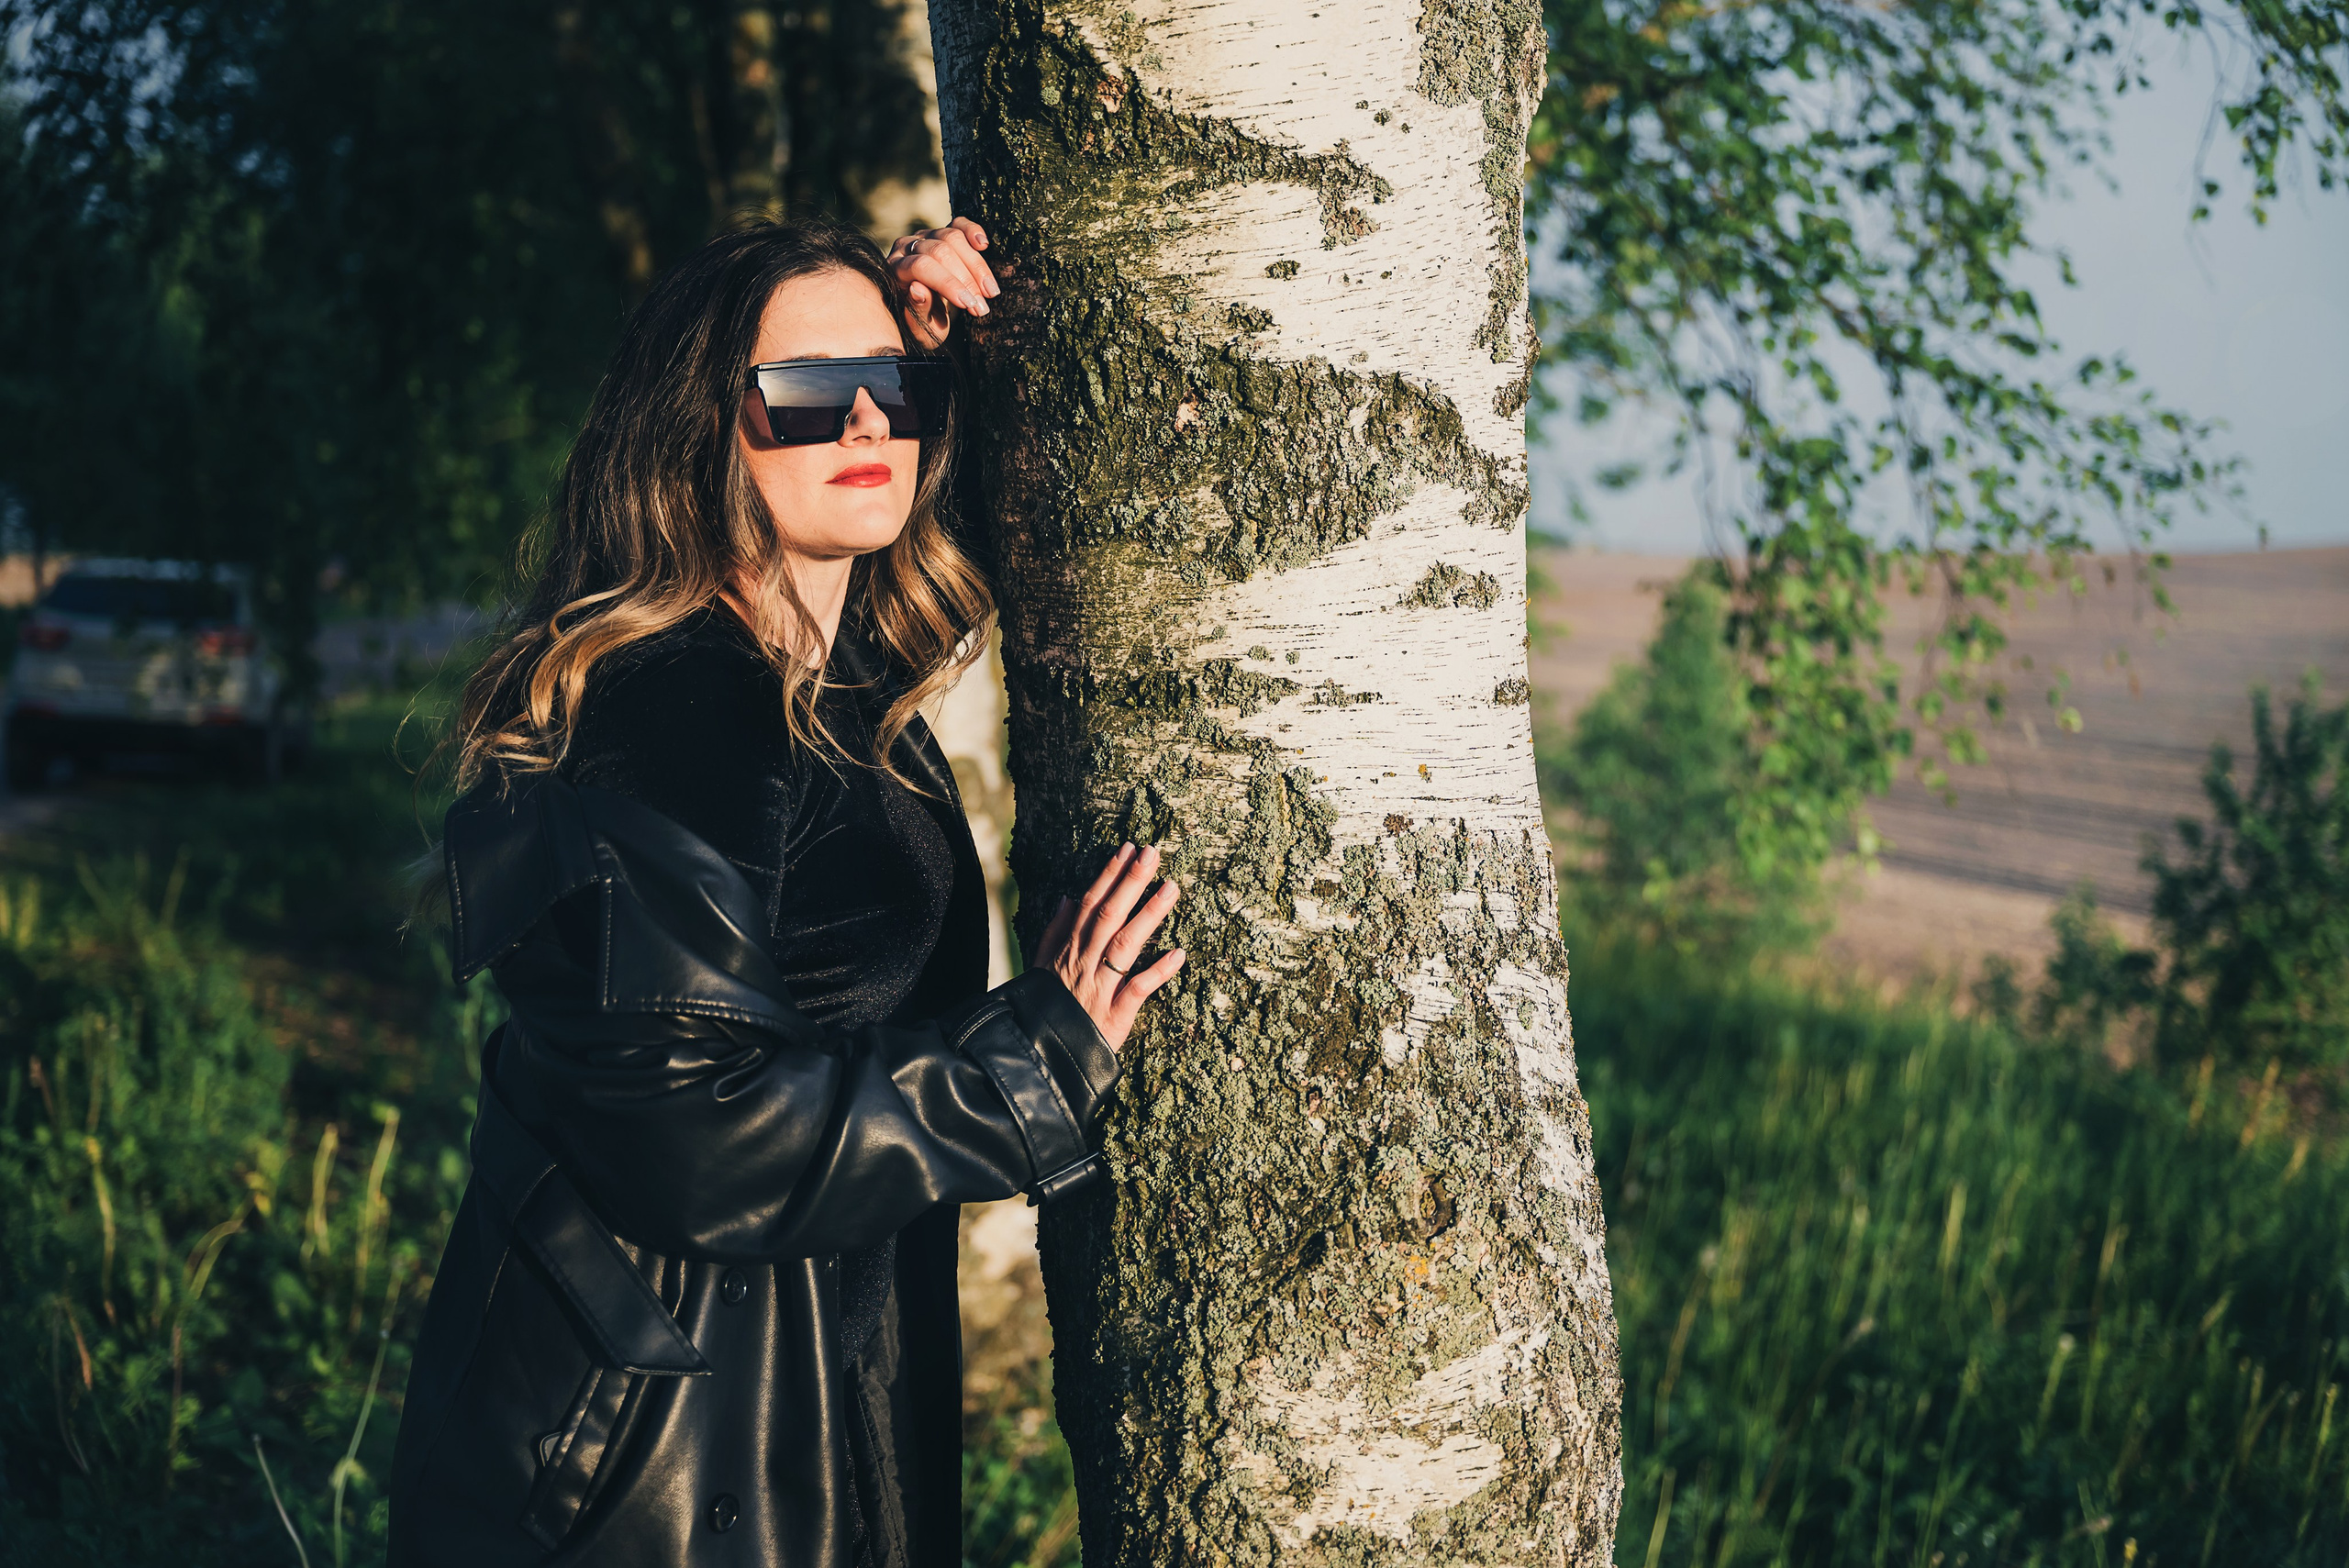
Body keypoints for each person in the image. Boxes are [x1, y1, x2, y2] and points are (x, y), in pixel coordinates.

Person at [387, 217, 1184, 1567]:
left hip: (784, 1386)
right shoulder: (673, 708)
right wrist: (1033, 1062)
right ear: (702, 430)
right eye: (808, 393)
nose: (867, 419)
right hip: (660, 1470)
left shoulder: (819, 670)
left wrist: (954, 356)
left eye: (891, 387)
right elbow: (696, 1131)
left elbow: (949, 510)